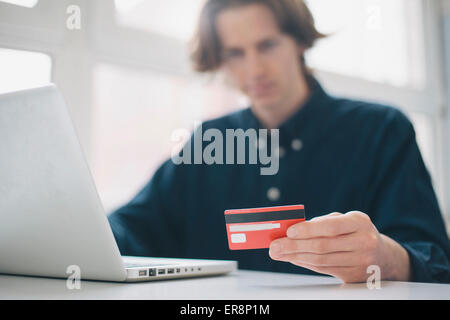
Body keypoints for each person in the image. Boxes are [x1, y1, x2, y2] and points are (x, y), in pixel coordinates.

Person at [107, 0, 450, 283]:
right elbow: (128, 229)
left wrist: (386, 258)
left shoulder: (382, 130)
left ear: (299, 41)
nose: (254, 70)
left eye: (267, 45)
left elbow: (436, 264)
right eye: (234, 54)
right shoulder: (206, 143)